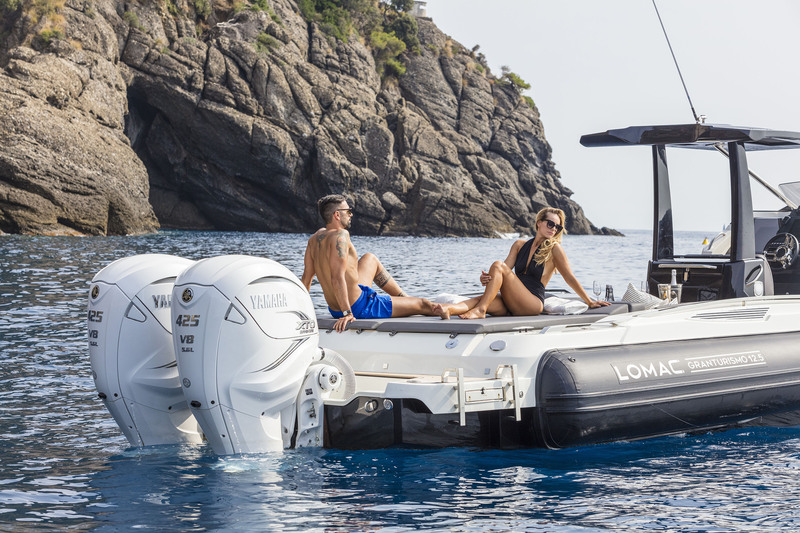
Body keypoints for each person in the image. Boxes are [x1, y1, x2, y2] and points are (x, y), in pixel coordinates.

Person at [433, 207, 610, 319]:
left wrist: (589, 301)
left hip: (532, 302)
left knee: (496, 267)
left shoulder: (555, 249)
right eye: (550, 224)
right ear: (539, 223)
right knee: (481, 299)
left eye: (558, 227)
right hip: (514, 300)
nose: (553, 229)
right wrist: (487, 279)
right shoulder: (519, 245)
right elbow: (502, 273)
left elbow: (569, 277)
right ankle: (447, 309)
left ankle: (480, 311)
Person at [301, 194, 439, 332]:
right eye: (348, 211)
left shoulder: (315, 239)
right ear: (337, 215)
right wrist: (347, 313)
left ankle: (405, 300)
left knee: (369, 259)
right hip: (358, 307)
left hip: (335, 309)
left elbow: (306, 279)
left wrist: (303, 313)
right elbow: (337, 278)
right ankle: (460, 306)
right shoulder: (341, 235)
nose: (351, 214)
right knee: (423, 304)